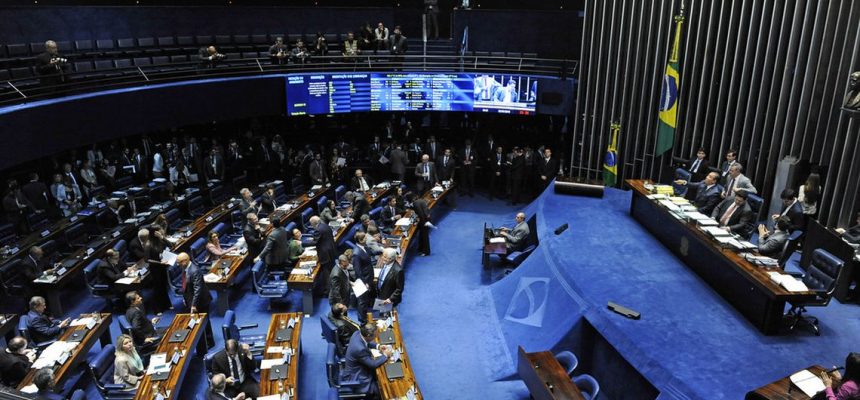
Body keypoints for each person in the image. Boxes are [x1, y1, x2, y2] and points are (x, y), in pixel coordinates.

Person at [342, 323, 393, 396]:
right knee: (383, 390)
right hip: (357, 377)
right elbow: (373, 365)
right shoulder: (359, 349)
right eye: (375, 335)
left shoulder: (357, 333)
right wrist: (385, 355)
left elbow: (366, 342)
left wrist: (378, 346)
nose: (376, 336)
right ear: (368, 335)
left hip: (357, 368)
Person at [177, 252, 214, 348]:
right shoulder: (185, 268)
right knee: (199, 321)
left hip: (201, 301)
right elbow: (186, 286)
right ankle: (203, 340)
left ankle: (210, 342)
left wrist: (193, 305)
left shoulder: (194, 270)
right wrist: (185, 298)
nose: (178, 264)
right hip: (193, 299)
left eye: (179, 262)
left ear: (185, 261)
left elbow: (198, 289)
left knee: (205, 321)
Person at [311, 216, 338, 294]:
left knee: (326, 272)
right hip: (331, 250)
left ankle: (328, 290)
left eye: (311, 224)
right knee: (331, 269)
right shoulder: (325, 225)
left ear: (313, 223)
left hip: (325, 253)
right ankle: (334, 286)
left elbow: (315, 242)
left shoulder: (318, 229)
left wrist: (302, 243)